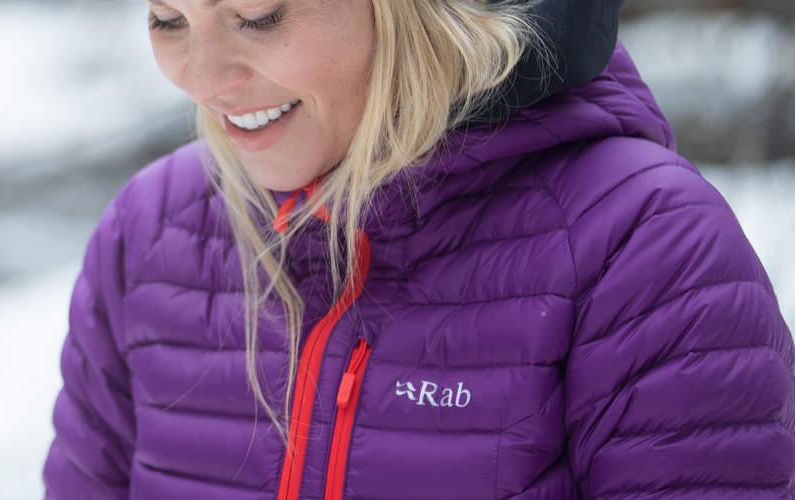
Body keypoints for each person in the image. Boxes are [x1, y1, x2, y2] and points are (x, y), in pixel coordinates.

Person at [44, 0, 795, 498]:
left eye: (257, 14)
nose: (202, 80)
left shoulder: (641, 247)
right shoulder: (149, 232)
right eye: (168, 19)